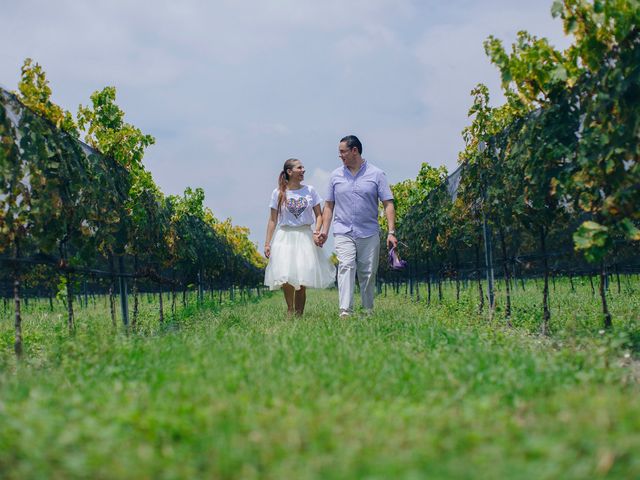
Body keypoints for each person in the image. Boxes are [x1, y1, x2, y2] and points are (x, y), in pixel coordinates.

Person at [317, 135, 397, 317]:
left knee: (368, 272)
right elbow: (329, 206)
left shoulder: (377, 174)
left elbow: (388, 203)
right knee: (345, 266)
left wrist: (391, 232)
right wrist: (324, 232)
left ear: (355, 151)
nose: (340, 156)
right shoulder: (335, 176)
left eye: (343, 152)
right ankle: (345, 310)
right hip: (343, 231)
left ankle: (368, 310)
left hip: (369, 232)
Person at [264, 158, 335, 316]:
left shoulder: (310, 190)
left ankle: (299, 313)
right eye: (299, 168)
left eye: (303, 167)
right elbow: (272, 220)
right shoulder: (278, 193)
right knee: (286, 276)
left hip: (305, 236)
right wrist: (267, 243)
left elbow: (319, 215)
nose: (303, 170)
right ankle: (290, 309)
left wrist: (317, 231)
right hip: (285, 236)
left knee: (302, 277)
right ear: (290, 172)